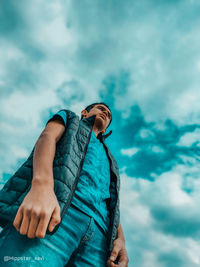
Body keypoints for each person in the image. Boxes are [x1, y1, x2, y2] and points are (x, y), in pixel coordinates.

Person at [0, 102, 129, 266]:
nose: (105, 113)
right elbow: (47, 137)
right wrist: (42, 187)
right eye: (101, 109)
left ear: (105, 129)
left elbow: (112, 202)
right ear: (84, 112)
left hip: (99, 240)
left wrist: (121, 239)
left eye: (109, 115)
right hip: (56, 215)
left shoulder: (111, 161)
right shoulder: (70, 119)